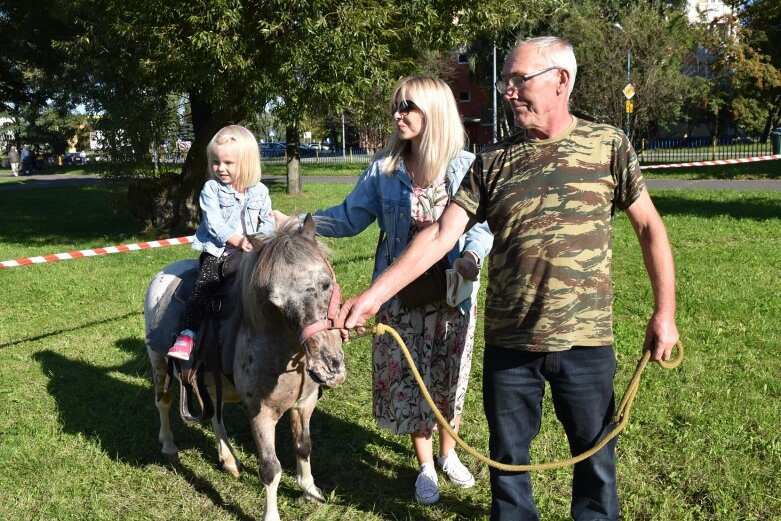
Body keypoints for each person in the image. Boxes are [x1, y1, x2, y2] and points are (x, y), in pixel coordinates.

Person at [338, 37, 679, 520]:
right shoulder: (493, 161)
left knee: (596, 461)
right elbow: (441, 234)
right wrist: (374, 296)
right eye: (506, 82)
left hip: (585, 342)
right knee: (508, 467)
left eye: (519, 80)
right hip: (510, 345)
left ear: (561, 81)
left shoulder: (608, 146)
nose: (507, 91)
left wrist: (664, 314)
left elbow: (649, 226)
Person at [273, 76, 493, 505]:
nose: (397, 115)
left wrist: (473, 257)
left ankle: (449, 454)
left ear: (434, 112)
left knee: (450, 379)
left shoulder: (466, 167)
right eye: (396, 106)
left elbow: (480, 227)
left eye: (407, 106)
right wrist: (297, 222)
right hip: (399, 298)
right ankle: (426, 466)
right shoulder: (385, 170)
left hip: (453, 296)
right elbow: (349, 217)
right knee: (413, 381)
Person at [167, 125, 275, 361]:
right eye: (216, 162)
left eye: (228, 163)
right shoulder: (211, 189)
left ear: (246, 163)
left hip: (252, 251)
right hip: (220, 251)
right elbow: (213, 222)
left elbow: (267, 220)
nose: (220, 168)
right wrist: (238, 240)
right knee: (205, 284)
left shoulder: (260, 191)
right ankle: (188, 334)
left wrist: (260, 240)